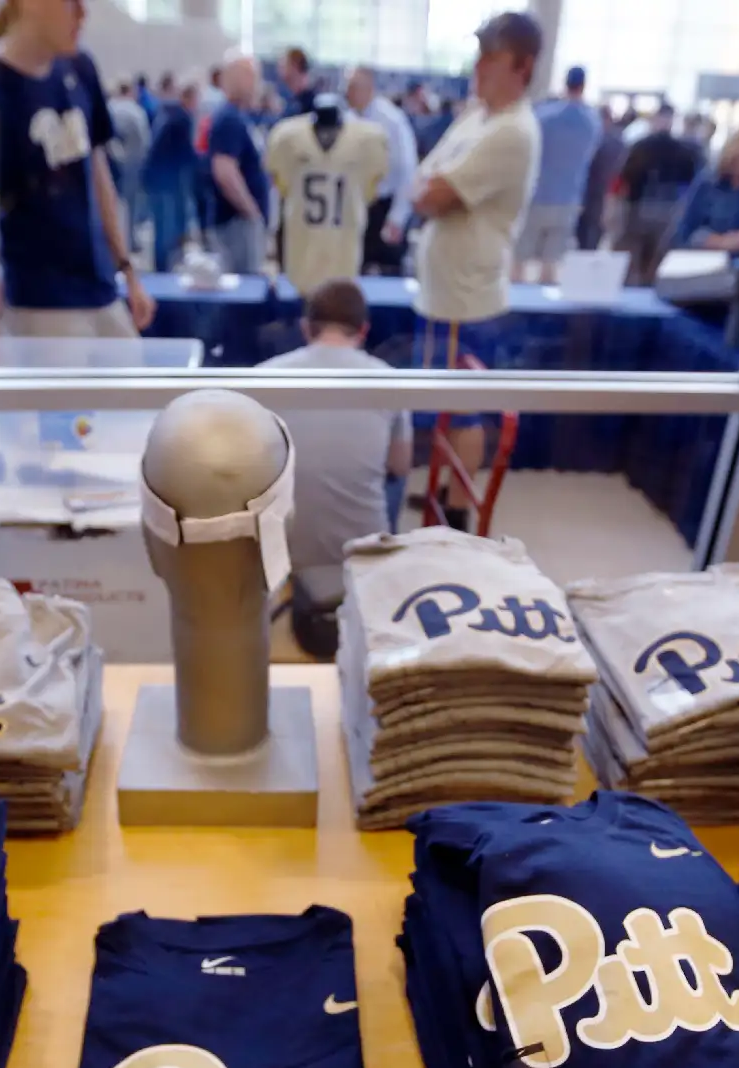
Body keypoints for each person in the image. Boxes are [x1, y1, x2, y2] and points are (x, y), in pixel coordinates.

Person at [410, 12, 542, 518]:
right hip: (445, 291)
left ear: (522, 66)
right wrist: (431, 188)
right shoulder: (477, 117)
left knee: (463, 410)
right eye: (480, 54)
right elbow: (423, 178)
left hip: (467, 296)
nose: (479, 66)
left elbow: (433, 194)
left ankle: (457, 510)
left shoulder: (513, 132)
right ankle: (445, 493)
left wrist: (432, 188)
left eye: (492, 56)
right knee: (445, 407)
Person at [0, 0, 154, 337]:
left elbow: (99, 179)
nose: (83, 13)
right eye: (71, 3)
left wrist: (127, 270)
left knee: (133, 367)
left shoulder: (80, 68)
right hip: (41, 301)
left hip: (100, 289)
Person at [261, 279, 411, 660]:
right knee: (392, 475)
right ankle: (379, 564)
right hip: (360, 545)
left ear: (305, 328)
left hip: (282, 543)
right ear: (364, 330)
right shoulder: (389, 378)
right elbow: (400, 464)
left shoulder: (264, 375)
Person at [267, 96, 388, 295]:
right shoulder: (287, 137)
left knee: (339, 295)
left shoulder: (368, 140)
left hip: (342, 241)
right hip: (304, 241)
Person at [517, 65, 600, 282]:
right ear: (584, 86)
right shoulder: (592, 121)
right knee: (552, 264)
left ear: (565, 83)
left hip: (537, 195)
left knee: (519, 260)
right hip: (569, 198)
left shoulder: (543, 116)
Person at [345, 65, 418, 274]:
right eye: (347, 87)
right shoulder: (347, 119)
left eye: (353, 87)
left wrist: (397, 217)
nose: (348, 92)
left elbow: (407, 170)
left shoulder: (392, 121)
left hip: (385, 207)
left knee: (388, 273)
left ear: (369, 88)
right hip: (356, 206)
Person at [616, 101, 699, 284]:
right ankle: (647, 285)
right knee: (655, 257)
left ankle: (635, 286)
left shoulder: (641, 147)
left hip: (640, 207)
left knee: (635, 256)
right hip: (668, 208)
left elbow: (625, 176)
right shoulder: (684, 150)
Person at [205, 54, 270, 275]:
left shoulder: (239, 117)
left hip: (241, 222)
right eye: (253, 77)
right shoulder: (229, 119)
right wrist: (251, 211)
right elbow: (225, 172)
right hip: (236, 224)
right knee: (243, 285)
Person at [672, 122, 739, 251]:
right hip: (715, 256)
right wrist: (723, 241)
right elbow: (685, 233)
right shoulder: (708, 183)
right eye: (738, 159)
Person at [143, 79, 201, 272]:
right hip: (167, 179)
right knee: (167, 228)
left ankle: (160, 266)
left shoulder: (167, 113)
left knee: (161, 225)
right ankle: (164, 268)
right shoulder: (182, 118)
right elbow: (186, 153)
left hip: (156, 177)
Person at [107, 79, 152, 248]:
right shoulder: (136, 111)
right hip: (133, 163)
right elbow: (144, 139)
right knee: (131, 204)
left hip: (109, 163)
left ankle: (112, 241)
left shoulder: (109, 108)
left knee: (110, 202)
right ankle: (129, 241)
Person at [578, 107, 629, 251]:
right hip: (604, 192)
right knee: (594, 231)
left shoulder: (596, 139)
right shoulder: (618, 142)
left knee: (589, 231)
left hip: (595, 191)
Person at [280, 46, 317, 118]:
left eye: (283, 65)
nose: (279, 69)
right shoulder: (291, 99)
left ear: (294, 65)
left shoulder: (310, 104)